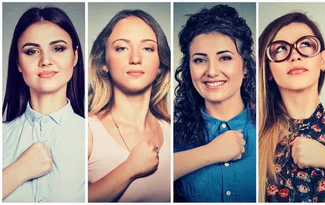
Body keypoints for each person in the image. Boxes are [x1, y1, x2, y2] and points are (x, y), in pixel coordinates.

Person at [172, 5, 256, 202]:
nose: (211, 71)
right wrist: (210, 153)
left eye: (224, 58)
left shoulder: (268, 130)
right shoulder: (170, 137)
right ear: (188, 69)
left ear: (245, 66)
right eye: (200, 60)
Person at [2, 6, 85, 202]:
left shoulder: (95, 136)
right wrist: (16, 173)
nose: (45, 60)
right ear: (18, 64)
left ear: (75, 56)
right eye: (31, 51)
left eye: (58, 48)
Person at [87, 9, 171, 202]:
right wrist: (130, 168)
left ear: (160, 65)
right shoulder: (88, 131)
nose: (135, 59)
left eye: (148, 48)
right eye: (122, 48)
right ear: (103, 63)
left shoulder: (171, 131)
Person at [257, 12, 325, 202]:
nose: (294, 55)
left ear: (323, 60)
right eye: (280, 49)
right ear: (268, 70)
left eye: (305, 44)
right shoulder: (255, 138)